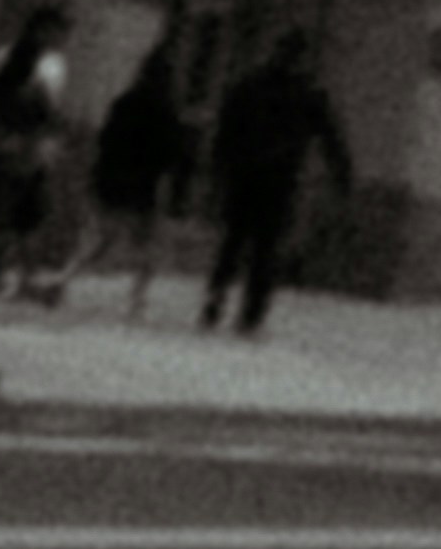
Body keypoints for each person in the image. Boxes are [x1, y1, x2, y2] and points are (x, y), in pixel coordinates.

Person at [203, 33, 352, 335]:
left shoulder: (250, 86)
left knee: (232, 243)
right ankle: (252, 314)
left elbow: (226, 129)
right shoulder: (307, 92)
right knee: (265, 249)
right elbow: (330, 137)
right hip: (279, 181)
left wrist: (218, 169)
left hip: (244, 177)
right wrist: (342, 175)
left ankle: (214, 300)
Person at [0, 24, 75, 298]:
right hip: (21, 162)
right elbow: (49, 122)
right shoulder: (38, 88)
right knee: (22, 222)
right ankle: (10, 276)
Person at [88, 39, 197, 308]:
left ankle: (65, 277)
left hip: (114, 177)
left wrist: (98, 174)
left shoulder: (124, 102)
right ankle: (138, 294)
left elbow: (106, 140)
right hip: (146, 182)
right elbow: (173, 151)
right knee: (147, 242)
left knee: (104, 237)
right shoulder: (167, 110)